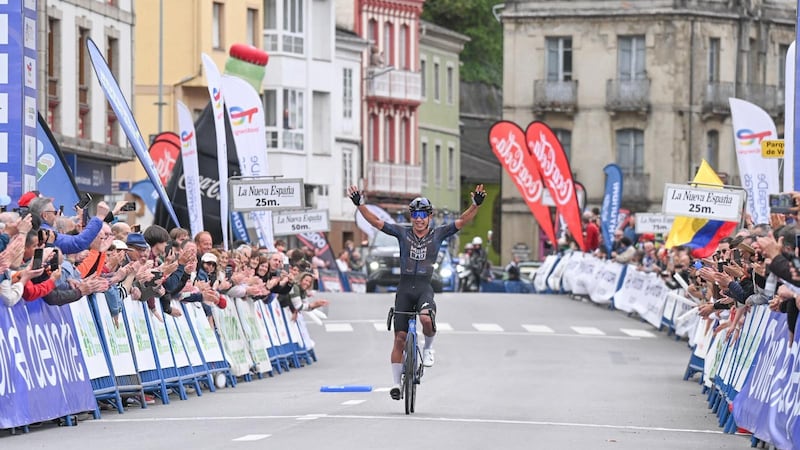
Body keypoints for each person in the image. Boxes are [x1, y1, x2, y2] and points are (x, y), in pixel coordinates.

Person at [347, 183, 486, 401]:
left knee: (426, 319)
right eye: (415, 215)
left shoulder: (438, 234)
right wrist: (360, 204)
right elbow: (376, 222)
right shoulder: (402, 233)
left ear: (429, 217)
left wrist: (475, 205)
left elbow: (462, 221)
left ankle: (429, 348)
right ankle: (396, 384)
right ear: (411, 217)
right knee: (399, 339)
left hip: (423, 287)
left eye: (422, 215)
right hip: (404, 289)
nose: (418, 219)